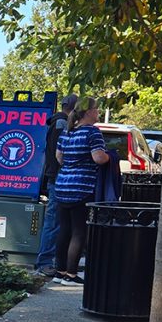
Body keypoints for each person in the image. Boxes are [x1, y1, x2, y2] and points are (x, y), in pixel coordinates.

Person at [52, 96, 110, 285]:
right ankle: (70, 274)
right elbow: (99, 158)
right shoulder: (92, 133)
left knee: (64, 230)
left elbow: (59, 158)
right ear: (88, 112)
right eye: (96, 109)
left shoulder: (67, 133)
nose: (98, 112)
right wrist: (111, 158)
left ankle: (59, 272)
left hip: (62, 186)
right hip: (82, 187)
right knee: (79, 232)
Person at [35, 93, 78, 276]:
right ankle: (45, 262)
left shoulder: (57, 122)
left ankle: (50, 260)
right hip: (57, 179)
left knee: (56, 221)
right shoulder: (61, 125)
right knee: (53, 222)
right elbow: (60, 155)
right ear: (72, 108)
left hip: (55, 177)